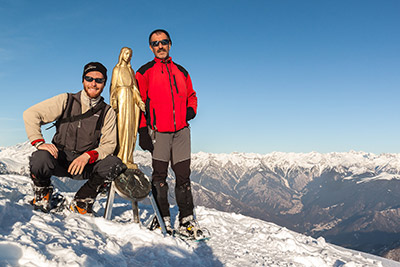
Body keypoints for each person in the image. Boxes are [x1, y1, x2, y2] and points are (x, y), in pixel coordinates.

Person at [23, 62, 126, 214]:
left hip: (84, 164)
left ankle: (82, 200)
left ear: (104, 83)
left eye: (99, 80)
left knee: (114, 164)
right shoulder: (66, 100)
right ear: (83, 80)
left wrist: (88, 156)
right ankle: (42, 194)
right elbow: (30, 114)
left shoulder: (107, 111)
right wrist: (39, 142)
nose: (93, 83)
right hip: (59, 158)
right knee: (40, 158)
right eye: (89, 78)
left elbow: (109, 144)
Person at [136, 29, 198, 236]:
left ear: (170, 44)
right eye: (155, 43)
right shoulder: (144, 72)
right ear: (151, 47)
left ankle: (186, 219)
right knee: (159, 175)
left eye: (163, 42)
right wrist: (142, 130)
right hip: (158, 131)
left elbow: (192, 95)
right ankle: (161, 217)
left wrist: (190, 111)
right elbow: (139, 104)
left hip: (181, 131)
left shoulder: (181, 71)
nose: (160, 46)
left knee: (183, 176)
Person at [110, 47, 145, 169]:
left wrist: (139, 101)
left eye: (130, 54)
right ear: (121, 55)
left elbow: (134, 88)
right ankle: (120, 156)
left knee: (130, 129)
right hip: (121, 99)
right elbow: (113, 87)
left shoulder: (131, 71)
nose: (128, 56)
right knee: (122, 128)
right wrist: (114, 101)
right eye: (126, 53)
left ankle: (128, 157)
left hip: (130, 101)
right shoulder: (117, 69)